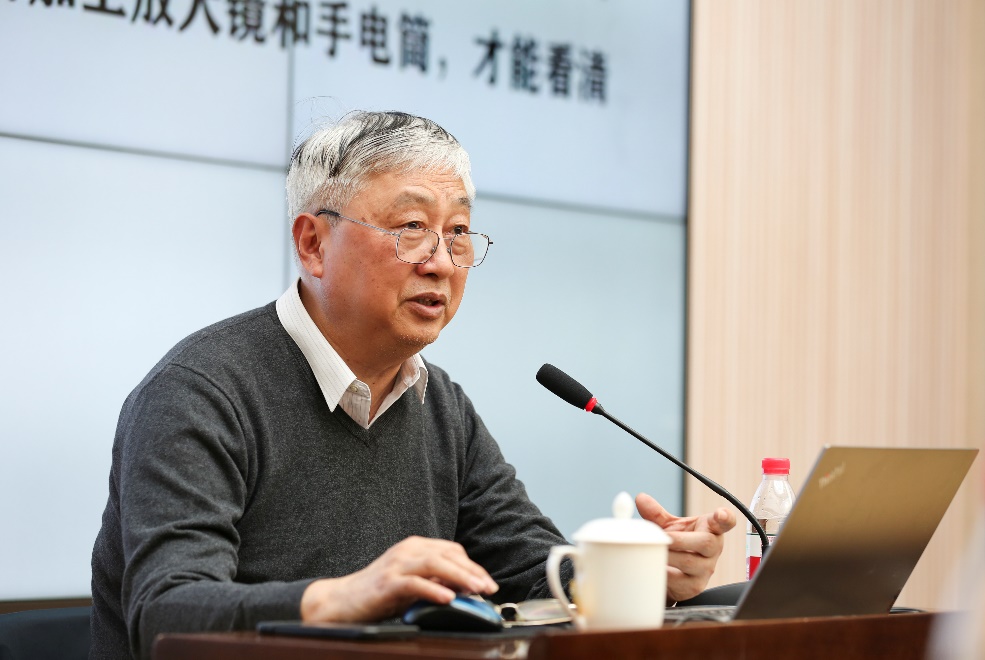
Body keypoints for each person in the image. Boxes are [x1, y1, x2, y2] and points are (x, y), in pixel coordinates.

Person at [89, 111, 736, 659]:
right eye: (410, 229)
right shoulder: (201, 393)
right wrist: (346, 595)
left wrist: (644, 574)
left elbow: (529, 568)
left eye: (458, 233)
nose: (442, 262)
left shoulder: (440, 404)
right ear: (313, 245)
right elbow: (166, 614)